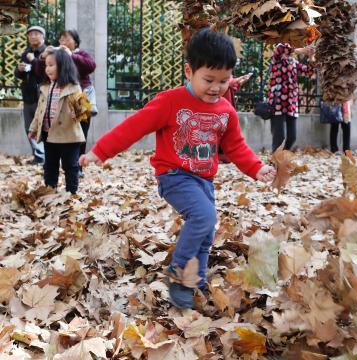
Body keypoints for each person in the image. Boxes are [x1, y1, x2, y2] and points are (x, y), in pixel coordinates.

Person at [79, 29, 276, 309]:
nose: (216, 88)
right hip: (174, 175)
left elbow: (236, 147)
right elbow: (134, 127)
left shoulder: (226, 111)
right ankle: (180, 272)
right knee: (204, 217)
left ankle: (196, 280)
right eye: (209, 80)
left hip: (204, 180)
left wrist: (257, 169)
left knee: (207, 233)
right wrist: (100, 151)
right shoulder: (171, 101)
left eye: (224, 80)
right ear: (189, 71)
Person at [38, 29, 97, 177]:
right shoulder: (55, 56)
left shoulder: (80, 54)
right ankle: (53, 168)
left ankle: (77, 166)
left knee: (80, 131)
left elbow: (91, 66)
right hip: (57, 99)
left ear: (75, 42)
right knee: (53, 134)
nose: (62, 41)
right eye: (61, 39)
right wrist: (44, 56)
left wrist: (71, 55)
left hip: (79, 98)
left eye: (67, 38)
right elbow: (41, 71)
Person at [28, 49, 85, 194]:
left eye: (51, 65)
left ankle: (71, 193)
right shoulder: (46, 87)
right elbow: (39, 111)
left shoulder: (74, 87)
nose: (47, 69)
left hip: (69, 136)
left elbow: (82, 112)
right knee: (50, 165)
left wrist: (80, 109)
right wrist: (33, 128)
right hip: (49, 134)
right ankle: (50, 189)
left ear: (63, 66)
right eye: (46, 65)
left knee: (70, 166)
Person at [268, 43, 315, 152]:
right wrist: (302, 50)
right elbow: (280, 49)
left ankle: (282, 156)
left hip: (291, 103)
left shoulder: (294, 63)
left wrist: (311, 56)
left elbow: (309, 72)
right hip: (278, 103)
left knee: (292, 137)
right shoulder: (276, 59)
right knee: (279, 138)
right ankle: (276, 161)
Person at [14, 25, 47, 165]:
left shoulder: (47, 52)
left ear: (43, 36)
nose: (33, 36)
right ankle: (38, 156)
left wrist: (34, 61)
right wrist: (19, 69)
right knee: (29, 127)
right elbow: (18, 75)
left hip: (43, 95)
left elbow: (47, 71)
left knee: (44, 126)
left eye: (36, 34)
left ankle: (47, 156)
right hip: (28, 95)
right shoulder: (26, 52)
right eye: (30, 34)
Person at [219, 73, 252, 163]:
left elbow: (229, 84)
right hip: (219, 104)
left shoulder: (227, 66)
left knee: (227, 130)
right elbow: (221, 81)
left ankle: (224, 155)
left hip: (226, 103)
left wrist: (238, 82)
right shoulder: (221, 64)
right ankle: (218, 156)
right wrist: (235, 81)